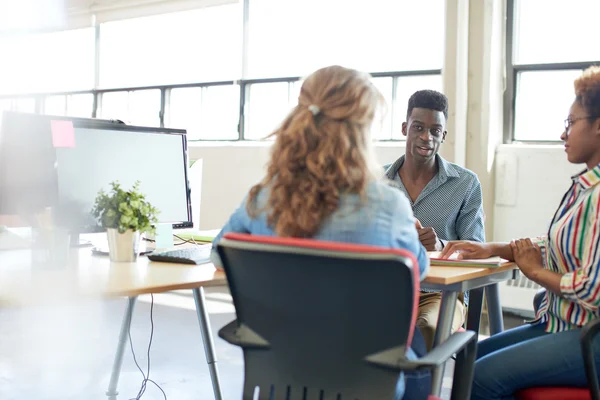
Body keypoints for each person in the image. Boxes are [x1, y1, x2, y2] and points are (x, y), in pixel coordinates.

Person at [211, 65, 429, 399]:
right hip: (367, 385)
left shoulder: (263, 198)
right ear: (362, 132)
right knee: (414, 348)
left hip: (279, 381)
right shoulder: (390, 206)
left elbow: (221, 252)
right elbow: (419, 270)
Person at [440, 66, 600, 400]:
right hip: (563, 323)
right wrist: (492, 248)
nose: (563, 134)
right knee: (473, 356)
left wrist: (536, 273)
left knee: (482, 376)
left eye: (571, 123)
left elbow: (592, 290)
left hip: (588, 335)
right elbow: (556, 244)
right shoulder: (585, 187)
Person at [384, 90, 485, 351]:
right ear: (405, 128)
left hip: (441, 296)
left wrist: (442, 245)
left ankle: (417, 389)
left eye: (435, 130)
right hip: (384, 290)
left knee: (425, 330)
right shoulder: (377, 182)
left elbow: (477, 249)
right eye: (418, 127)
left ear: (444, 136)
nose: (426, 137)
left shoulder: (466, 183)